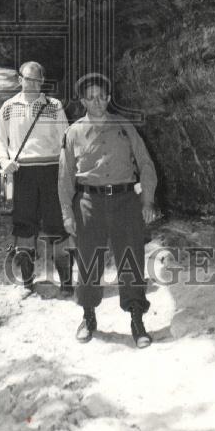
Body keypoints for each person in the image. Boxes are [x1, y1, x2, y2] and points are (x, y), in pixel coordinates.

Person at [58, 72, 158, 346]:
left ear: (109, 98)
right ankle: (88, 316)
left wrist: (147, 200)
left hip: (125, 202)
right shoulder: (73, 132)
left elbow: (146, 164)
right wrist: (67, 213)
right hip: (89, 203)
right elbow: (65, 177)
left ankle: (137, 320)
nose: (97, 102)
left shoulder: (125, 126)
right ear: (82, 101)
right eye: (91, 98)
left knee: (131, 260)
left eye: (102, 97)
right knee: (88, 262)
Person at [0, 61, 73, 295]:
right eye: (28, 79)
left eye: (37, 80)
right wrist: (2, 160)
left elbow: (66, 140)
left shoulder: (54, 105)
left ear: (42, 82)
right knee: (24, 228)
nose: (32, 84)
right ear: (20, 79)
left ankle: (67, 282)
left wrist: (69, 171)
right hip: (22, 173)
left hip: (51, 172)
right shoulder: (8, 107)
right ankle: (28, 282)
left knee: (58, 227)